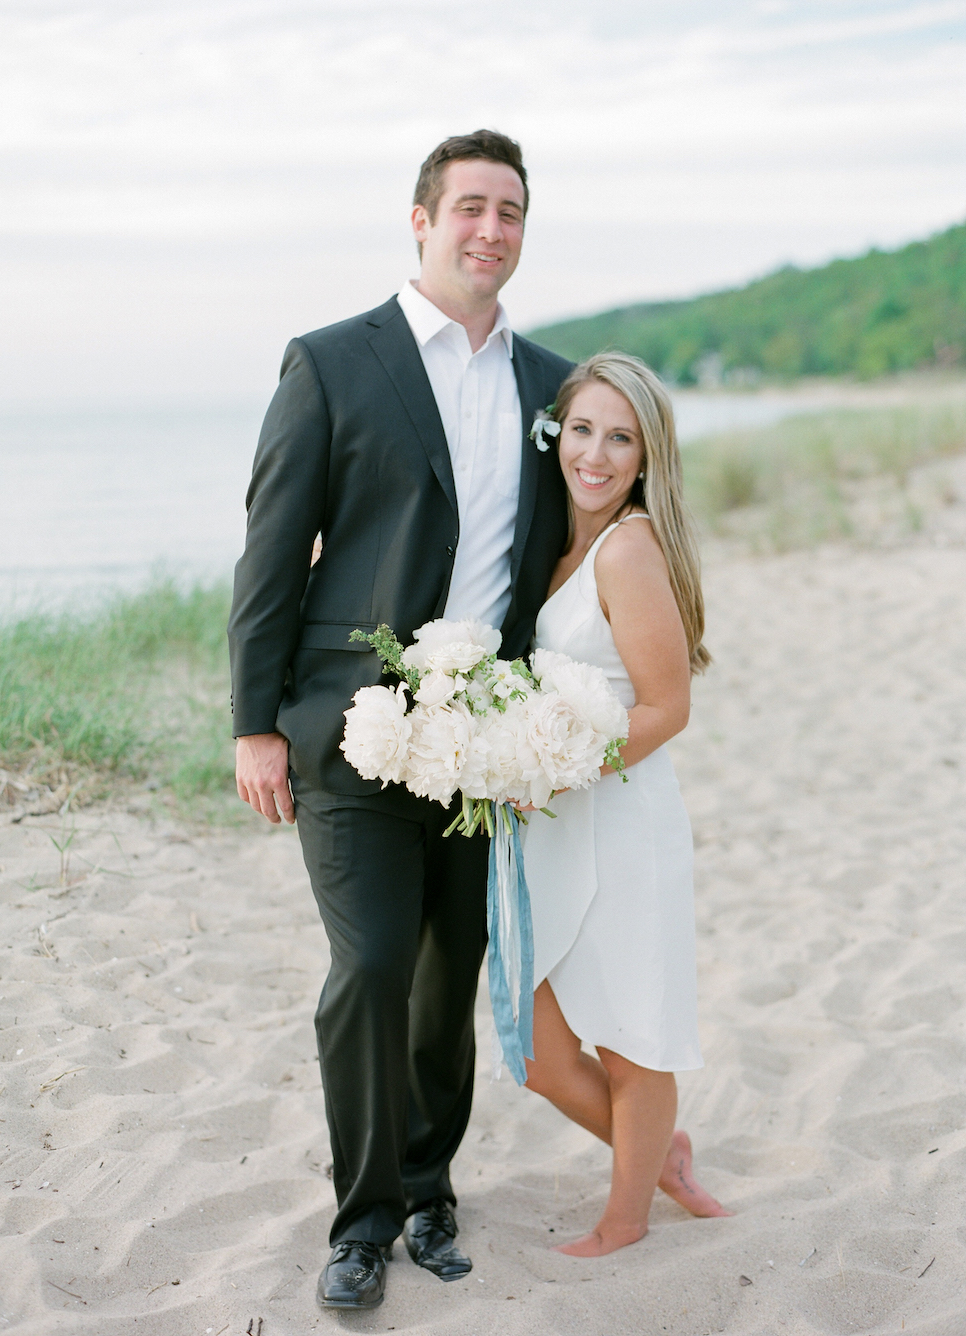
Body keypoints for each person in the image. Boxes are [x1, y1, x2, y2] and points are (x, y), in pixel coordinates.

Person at [227, 130, 573, 1311]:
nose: (490, 228)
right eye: (470, 206)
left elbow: (570, 556)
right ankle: (363, 1217)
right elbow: (271, 552)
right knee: (369, 964)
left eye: (511, 211)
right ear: (419, 220)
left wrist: (562, 713)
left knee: (448, 970)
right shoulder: (332, 362)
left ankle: (429, 1188)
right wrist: (254, 721)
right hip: (350, 723)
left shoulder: (550, 387)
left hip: (487, 739)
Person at [518, 352, 731, 1256]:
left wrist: (569, 763)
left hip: (622, 819)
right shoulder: (559, 541)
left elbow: (667, 705)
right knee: (535, 1049)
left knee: (632, 1034)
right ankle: (659, 1158)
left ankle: (627, 1217)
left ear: (646, 456)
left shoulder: (630, 546)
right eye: (582, 431)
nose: (595, 455)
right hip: (558, 829)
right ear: (556, 434)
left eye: (620, 438)